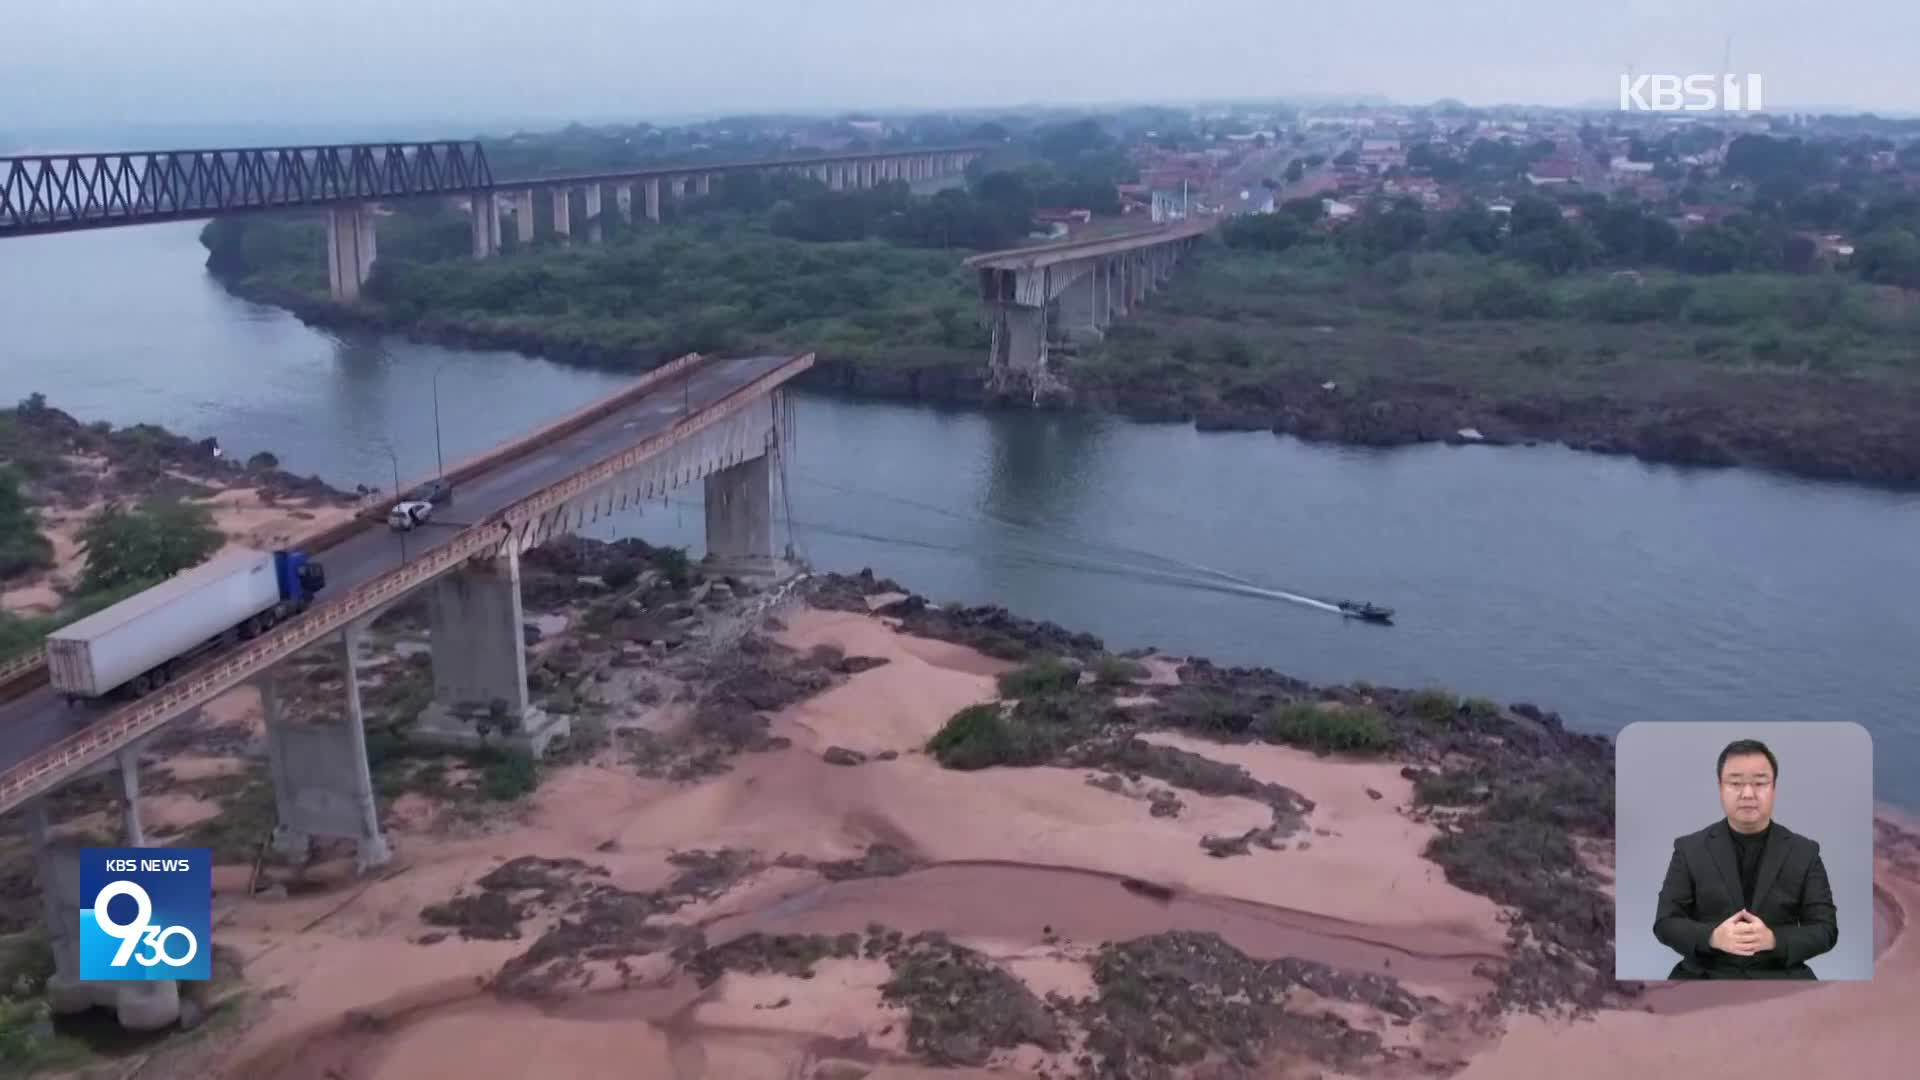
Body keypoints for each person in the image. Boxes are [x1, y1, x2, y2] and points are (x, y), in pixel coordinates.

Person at [1652, 738, 1838, 979]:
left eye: (1760, 783)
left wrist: (1773, 940)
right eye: (1736, 783)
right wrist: (1713, 937)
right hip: (1704, 976)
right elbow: (1665, 923)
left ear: (1774, 789)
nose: (1747, 794)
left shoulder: (1805, 852)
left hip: (1781, 976)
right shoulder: (1689, 849)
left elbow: (1826, 930)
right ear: (1720, 787)